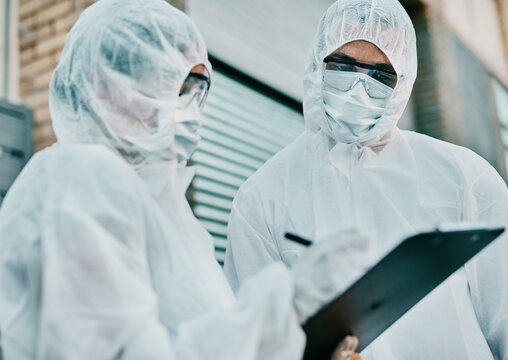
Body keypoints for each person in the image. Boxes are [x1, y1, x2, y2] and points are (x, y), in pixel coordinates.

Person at [0, 0, 364, 358]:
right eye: (173, 83)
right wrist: (284, 308)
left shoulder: (177, 222)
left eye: (198, 91)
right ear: (103, 87)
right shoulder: (80, 179)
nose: (189, 109)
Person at [224, 0, 508, 359]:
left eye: (380, 75)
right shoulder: (262, 198)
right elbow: (251, 342)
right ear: (317, 64)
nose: (358, 89)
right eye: (343, 66)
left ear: (403, 81)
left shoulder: (465, 178)